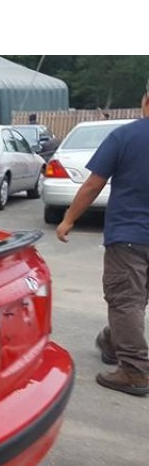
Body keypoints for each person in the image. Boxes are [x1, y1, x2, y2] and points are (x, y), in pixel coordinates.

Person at [56, 79, 149, 396]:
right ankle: (112, 340)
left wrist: (68, 220)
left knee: (126, 301)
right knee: (136, 298)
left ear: (145, 101)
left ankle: (135, 371)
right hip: (135, 236)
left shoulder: (125, 136)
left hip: (130, 237)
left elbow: (93, 184)